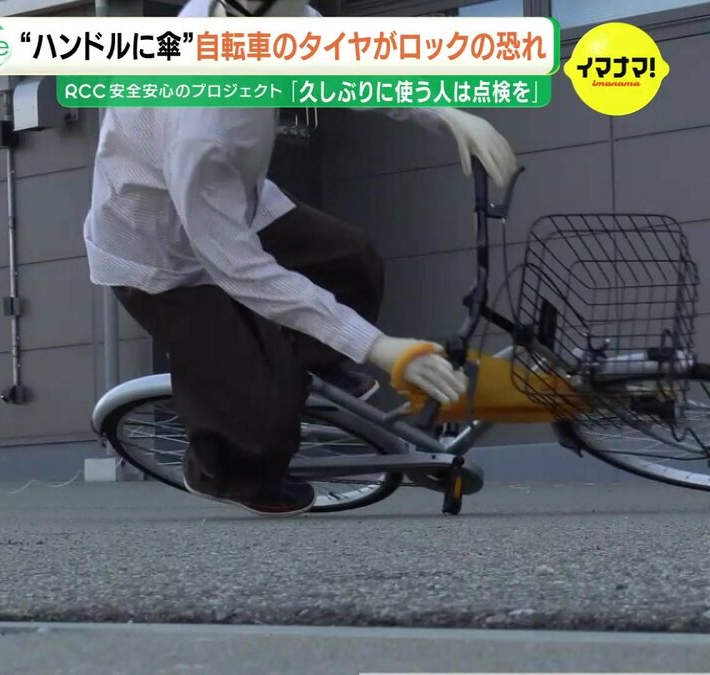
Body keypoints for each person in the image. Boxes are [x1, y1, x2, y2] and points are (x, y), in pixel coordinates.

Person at [83, 0, 519, 516]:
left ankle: (301, 362)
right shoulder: (200, 120)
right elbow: (237, 268)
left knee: (351, 262)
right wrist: (378, 347)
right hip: (159, 256)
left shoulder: (266, 15)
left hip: (231, 204)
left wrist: (447, 114)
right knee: (260, 420)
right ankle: (216, 470)